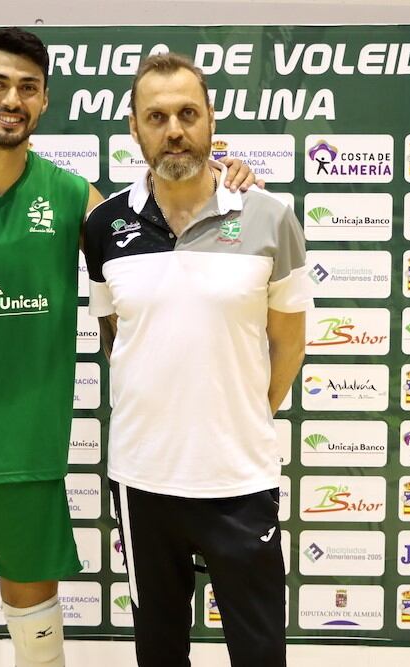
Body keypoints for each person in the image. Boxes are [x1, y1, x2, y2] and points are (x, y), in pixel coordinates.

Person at [0, 29, 256, 667]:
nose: (12, 100)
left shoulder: (74, 199)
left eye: (27, 88)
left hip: (29, 455)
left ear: (43, 101)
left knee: (37, 632)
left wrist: (224, 180)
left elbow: (160, 240)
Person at [84, 53, 309, 667]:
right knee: (159, 651)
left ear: (211, 119)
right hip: (142, 480)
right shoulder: (104, 225)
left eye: (188, 113)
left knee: (259, 653)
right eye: (157, 117)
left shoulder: (270, 216)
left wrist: (244, 415)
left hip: (239, 479)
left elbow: (289, 342)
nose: (174, 130)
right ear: (134, 128)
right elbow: (115, 334)